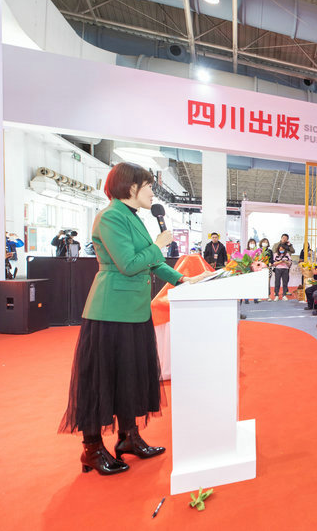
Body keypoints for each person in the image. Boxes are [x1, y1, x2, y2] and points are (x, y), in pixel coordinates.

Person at [58, 163, 207, 476]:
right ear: (130, 187)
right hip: (110, 311)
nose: (152, 193)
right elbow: (128, 263)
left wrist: (181, 279)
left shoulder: (133, 217)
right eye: (148, 186)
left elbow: (150, 263)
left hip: (135, 311)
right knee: (101, 379)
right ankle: (92, 449)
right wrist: (158, 245)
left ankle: (128, 437)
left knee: (130, 375)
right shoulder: (110, 217)